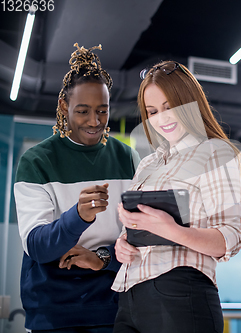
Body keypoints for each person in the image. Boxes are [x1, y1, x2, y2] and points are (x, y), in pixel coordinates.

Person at [112, 61, 241, 333]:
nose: (162, 118)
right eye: (152, 111)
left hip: (179, 293)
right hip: (129, 295)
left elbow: (230, 238)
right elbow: (139, 228)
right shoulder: (147, 164)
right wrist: (123, 243)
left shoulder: (213, 153)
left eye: (170, 107)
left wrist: (172, 230)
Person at [14, 43, 139, 332]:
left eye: (102, 111)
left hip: (114, 308)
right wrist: (78, 217)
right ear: (63, 106)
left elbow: (140, 236)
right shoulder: (37, 162)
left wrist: (101, 258)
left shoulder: (128, 158)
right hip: (54, 314)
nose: (94, 122)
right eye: (83, 111)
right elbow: (37, 246)